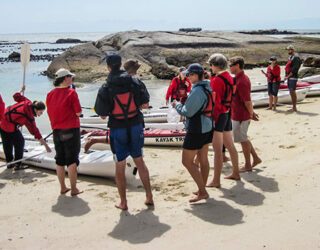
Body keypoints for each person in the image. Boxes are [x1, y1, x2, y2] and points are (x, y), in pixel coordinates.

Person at [94, 54, 153, 210]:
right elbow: (145, 104)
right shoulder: (134, 81)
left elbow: (102, 114)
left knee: (119, 165)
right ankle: (149, 196)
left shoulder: (105, 87)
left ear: (108, 67)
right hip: (135, 125)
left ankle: (123, 202)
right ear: (120, 64)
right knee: (139, 160)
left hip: (118, 128)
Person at [172, 63, 213, 202]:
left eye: (190, 74)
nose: (188, 77)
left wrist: (176, 104)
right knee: (203, 159)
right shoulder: (207, 86)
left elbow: (187, 112)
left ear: (196, 75)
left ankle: (202, 191)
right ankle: (202, 188)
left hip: (197, 128)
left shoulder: (197, 91)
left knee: (187, 161)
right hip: (207, 126)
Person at [46, 68, 82, 196]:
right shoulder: (71, 93)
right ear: (65, 78)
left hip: (57, 130)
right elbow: (78, 112)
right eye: (70, 77)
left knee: (60, 160)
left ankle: (63, 187)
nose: (72, 79)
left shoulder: (49, 94)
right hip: (71, 129)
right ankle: (73, 189)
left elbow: (50, 112)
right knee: (72, 160)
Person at [206, 53, 240, 188]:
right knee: (230, 145)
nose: (210, 67)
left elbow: (216, 103)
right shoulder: (229, 77)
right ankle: (236, 172)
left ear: (215, 65)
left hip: (219, 115)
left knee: (218, 150)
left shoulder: (216, 80)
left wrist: (211, 118)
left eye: (211, 65)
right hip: (227, 114)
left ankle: (216, 180)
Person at [0, 88, 51, 170]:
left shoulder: (28, 102)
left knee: (7, 144)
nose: (40, 115)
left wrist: (21, 90)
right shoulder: (29, 117)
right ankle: (17, 164)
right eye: (40, 112)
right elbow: (35, 132)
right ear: (36, 109)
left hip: (2, 121)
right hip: (9, 127)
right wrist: (46, 146)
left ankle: (9, 163)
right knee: (20, 142)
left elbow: (16, 96)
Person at [229, 56, 262, 172]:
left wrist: (251, 113)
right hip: (237, 113)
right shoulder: (238, 78)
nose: (229, 67)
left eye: (231, 65)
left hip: (241, 115)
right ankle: (256, 158)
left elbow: (247, 101)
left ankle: (248, 164)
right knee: (243, 138)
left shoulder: (242, 80)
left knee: (242, 139)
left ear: (237, 66)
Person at [284, 45, 302, 112]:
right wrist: (286, 76)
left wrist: (287, 77)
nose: (288, 51)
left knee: (292, 91)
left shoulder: (296, 58)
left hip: (293, 77)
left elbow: (295, 69)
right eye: (288, 50)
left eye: (289, 50)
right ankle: (293, 107)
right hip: (289, 77)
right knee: (291, 92)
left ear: (293, 50)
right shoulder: (290, 57)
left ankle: (294, 107)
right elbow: (288, 67)